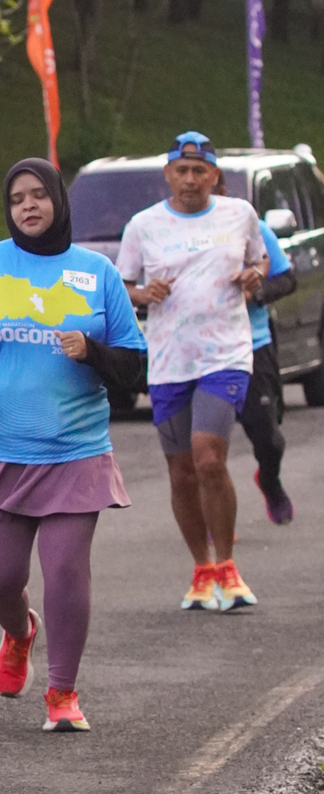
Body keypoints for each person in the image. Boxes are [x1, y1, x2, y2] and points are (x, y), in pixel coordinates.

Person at [0, 158, 145, 732]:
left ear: (58, 200)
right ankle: (19, 630)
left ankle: (63, 692)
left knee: (66, 572)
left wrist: (92, 352)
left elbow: (133, 366)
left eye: (38, 195)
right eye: (16, 199)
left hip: (74, 450)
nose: (28, 206)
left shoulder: (96, 272)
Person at [118, 131, 267, 612]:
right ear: (167, 174)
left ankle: (227, 567)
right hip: (168, 360)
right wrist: (144, 294)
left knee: (208, 459)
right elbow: (123, 285)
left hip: (225, 354)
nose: (189, 179)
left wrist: (256, 273)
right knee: (181, 472)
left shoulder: (239, 214)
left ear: (214, 175)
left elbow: (260, 259)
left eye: (199, 171)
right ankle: (202, 569)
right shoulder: (143, 225)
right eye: (181, 170)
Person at [214, 174, 297, 525]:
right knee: (205, 448)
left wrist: (255, 292)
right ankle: (214, 517)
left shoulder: (252, 227)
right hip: (201, 353)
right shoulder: (170, 234)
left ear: (221, 190)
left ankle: (269, 480)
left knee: (269, 438)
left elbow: (287, 278)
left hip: (252, 344)